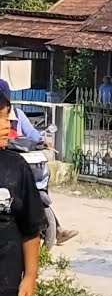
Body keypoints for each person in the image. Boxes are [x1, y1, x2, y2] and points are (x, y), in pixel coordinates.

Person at [0, 79, 76, 245]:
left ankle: (57, 228)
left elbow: (33, 134)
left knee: (33, 194)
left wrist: (43, 140)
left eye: (5, 115)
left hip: (22, 165)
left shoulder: (19, 115)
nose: (5, 123)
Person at [0, 91, 43, 296]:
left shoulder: (16, 167)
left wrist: (30, 276)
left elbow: (31, 228)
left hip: (4, 282)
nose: (7, 125)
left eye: (7, 117)